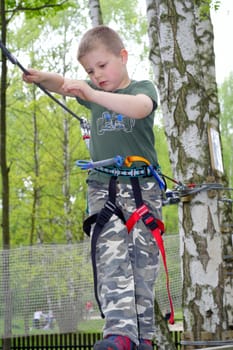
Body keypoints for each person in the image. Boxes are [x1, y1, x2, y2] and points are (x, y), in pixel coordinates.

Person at [23, 25, 164, 350]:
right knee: (111, 259)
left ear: (123, 57)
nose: (96, 75)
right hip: (105, 189)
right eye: (89, 71)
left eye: (102, 66)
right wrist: (41, 76)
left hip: (142, 191)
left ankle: (143, 337)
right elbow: (63, 85)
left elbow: (141, 108)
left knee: (142, 266)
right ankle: (120, 334)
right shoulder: (92, 93)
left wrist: (92, 93)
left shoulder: (140, 89)